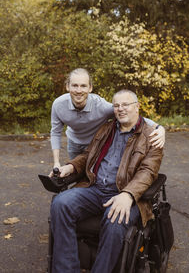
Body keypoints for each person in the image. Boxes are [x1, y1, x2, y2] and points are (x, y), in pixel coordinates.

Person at [50, 89, 163, 273]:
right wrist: (70, 167)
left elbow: (148, 171)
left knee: (115, 219)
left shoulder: (151, 137)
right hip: (95, 188)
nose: (120, 109)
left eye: (125, 104)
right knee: (60, 204)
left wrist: (127, 195)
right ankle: (66, 269)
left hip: (125, 193)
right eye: (117, 105)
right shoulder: (106, 128)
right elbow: (88, 155)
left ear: (137, 107)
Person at [50, 68, 165, 166]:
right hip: (73, 142)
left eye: (83, 86)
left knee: (92, 173)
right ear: (67, 87)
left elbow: (130, 115)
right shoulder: (58, 105)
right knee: (75, 170)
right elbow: (55, 132)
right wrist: (56, 163)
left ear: (90, 88)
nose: (79, 90)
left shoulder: (102, 106)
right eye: (75, 86)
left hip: (95, 143)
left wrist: (159, 128)